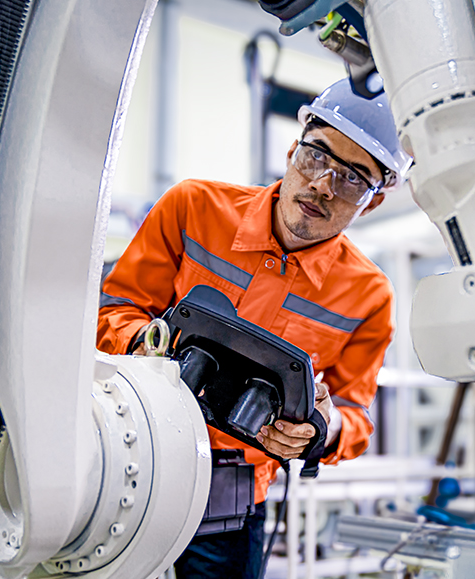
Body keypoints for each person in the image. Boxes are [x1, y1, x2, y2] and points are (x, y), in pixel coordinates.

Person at [96, 79, 411, 578]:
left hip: (230, 504)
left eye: (353, 179)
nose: (323, 185)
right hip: (126, 454)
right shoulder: (193, 208)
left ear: (372, 201)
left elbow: (354, 414)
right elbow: (114, 307)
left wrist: (318, 432)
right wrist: (146, 344)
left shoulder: (369, 296)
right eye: (316, 157)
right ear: (292, 150)